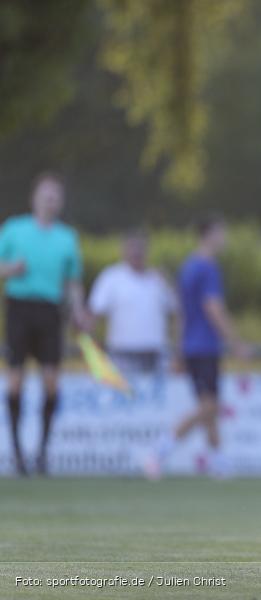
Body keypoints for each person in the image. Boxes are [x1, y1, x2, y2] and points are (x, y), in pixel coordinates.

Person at [143, 215, 250, 479]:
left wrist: (180, 348)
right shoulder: (207, 267)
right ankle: (159, 450)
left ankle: (218, 461)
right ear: (210, 234)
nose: (224, 239)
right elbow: (212, 307)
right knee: (209, 406)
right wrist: (235, 342)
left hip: (192, 345)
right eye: (222, 233)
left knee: (209, 404)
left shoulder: (189, 267)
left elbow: (181, 312)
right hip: (204, 346)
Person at [0, 171, 89, 476]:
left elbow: (73, 281)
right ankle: (17, 454)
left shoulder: (67, 237)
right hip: (19, 308)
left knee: (51, 381)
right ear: (34, 197)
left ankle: (42, 453)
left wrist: (79, 311)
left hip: (51, 312)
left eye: (56, 195)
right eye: (46, 194)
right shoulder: (14, 229)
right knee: (16, 379)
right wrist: (10, 269)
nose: (51, 200)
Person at [87, 230, 180, 375]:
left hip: (156, 354)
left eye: (141, 248)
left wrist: (177, 352)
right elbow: (94, 314)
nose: (137, 252)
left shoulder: (158, 279)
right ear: (123, 250)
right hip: (122, 354)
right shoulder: (111, 278)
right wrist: (93, 354)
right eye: (132, 247)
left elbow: (177, 312)